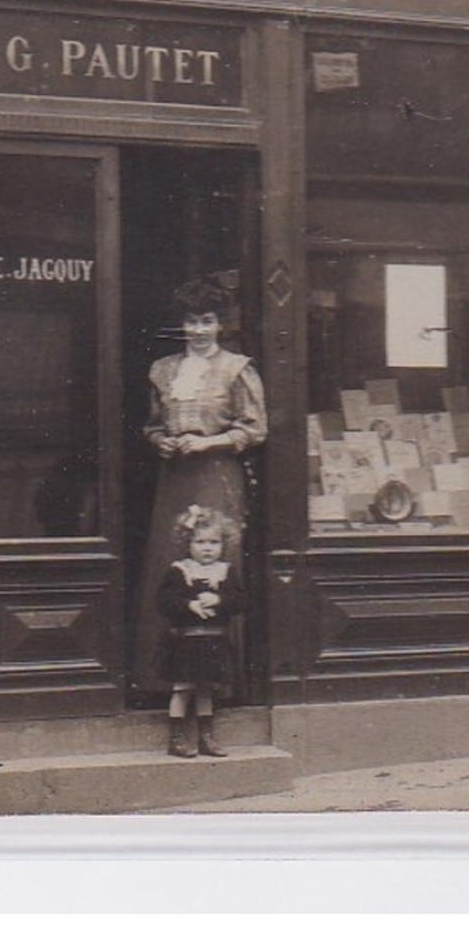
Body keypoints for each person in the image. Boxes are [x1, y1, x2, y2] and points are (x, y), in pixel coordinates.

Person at [132, 278, 266, 698]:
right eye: (192, 322)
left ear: (220, 324)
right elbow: (151, 425)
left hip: (216, 476)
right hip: (175, 478)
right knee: (171, 562)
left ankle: (219, 685)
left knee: (215, 560)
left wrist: (208, 441)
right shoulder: (163, 370)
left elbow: (255, 428)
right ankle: (164, 680)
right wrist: (162, 441)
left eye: (207, 321)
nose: (199, 330)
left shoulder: (237, 370)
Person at [155, 505, 246, 757]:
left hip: (214, 640)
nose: (207, 548)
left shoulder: (226, 572)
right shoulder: (179, 571)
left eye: (214, 542)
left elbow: (240, 601)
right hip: (187, 641)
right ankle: (176, 738)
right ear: (188, 544)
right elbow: (164, 602)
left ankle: (207, 737)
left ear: (223, 544)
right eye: (200, 542)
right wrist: (189, 604)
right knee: (183, 688)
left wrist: (219, 600)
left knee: (206, 688)